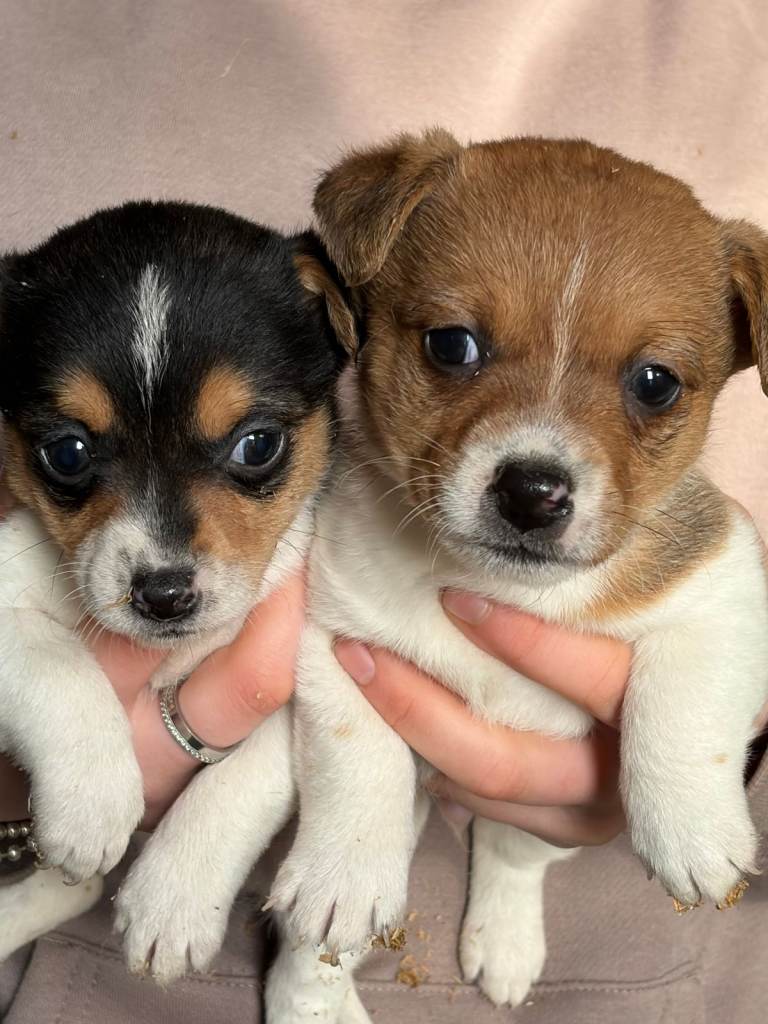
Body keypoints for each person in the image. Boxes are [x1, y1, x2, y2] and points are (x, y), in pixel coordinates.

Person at [1, 2, 767, 1021]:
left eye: (656, 386)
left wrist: (713, 750)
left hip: (639, 965)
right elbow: (322, 654)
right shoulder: (345, 505)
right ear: (357, 310)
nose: (541, 468)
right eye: (456, 347)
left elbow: (724, 629)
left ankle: (508, 874)